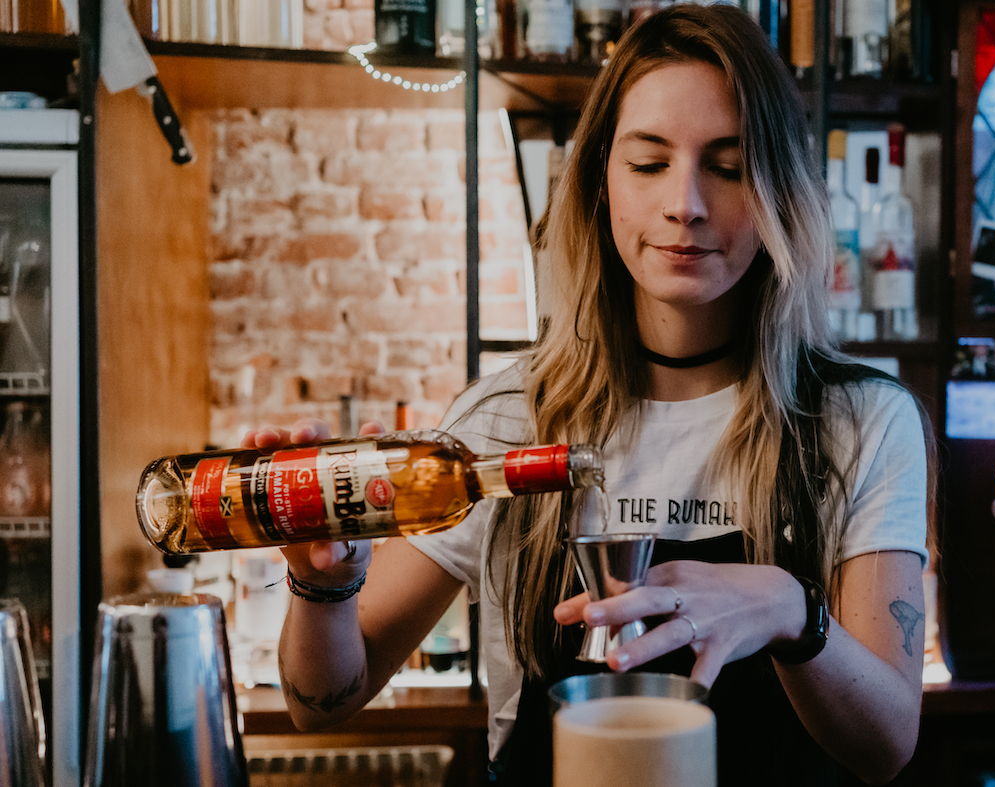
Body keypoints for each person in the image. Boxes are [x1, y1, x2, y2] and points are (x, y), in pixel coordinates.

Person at [252, 5, 936, 785]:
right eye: (648, 163)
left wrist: (791, 609)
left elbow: (886, 744)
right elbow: (322, 701)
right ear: (600, 181)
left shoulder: (859, 422)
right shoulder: (504, 423)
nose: (686, 202)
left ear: (779, 190)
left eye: (727, 163)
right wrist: (324, 585)